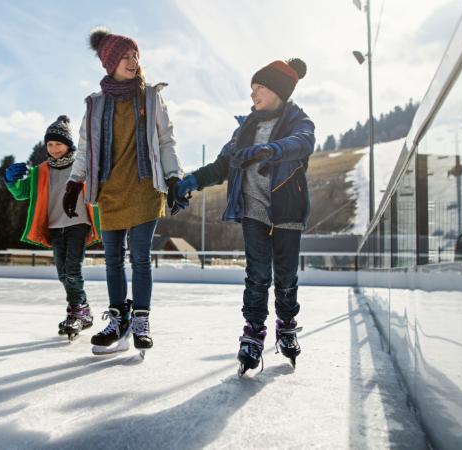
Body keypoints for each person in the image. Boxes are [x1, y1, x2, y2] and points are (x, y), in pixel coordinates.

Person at [174, 58, 315, 373]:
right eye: (252, 88)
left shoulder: (298, 120)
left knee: (286, 276)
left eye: (259, 87)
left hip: (287, 211)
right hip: (254, 211)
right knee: (257, 275)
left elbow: (303, 142)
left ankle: (287, 325)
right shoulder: (244, 130)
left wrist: (270, 151)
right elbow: (222, 165)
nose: (253, 94)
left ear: (278, 90)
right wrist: (191, 181)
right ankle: (253, 332)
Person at [64, 28, 183, 357]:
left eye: (135, 56)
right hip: (110, 190)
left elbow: (166, 140)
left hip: (145, 187)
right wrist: (74, 182)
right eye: (125, 57)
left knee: (140, 257)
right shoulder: (95, 104)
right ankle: (119, 320)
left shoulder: (150, 97)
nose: (133, 61)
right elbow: (85, 147)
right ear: (110, 62)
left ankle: (141, 319)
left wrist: (174, 177)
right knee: (113, 260)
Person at [4, 115, 102, 340]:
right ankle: (80, 308)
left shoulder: (82, 165)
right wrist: (11, 181)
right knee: (62, 273)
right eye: (50, 144)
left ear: (68, 145)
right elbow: (22, 192)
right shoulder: (40, 171)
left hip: (79, 223)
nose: (54, 148)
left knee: (72, 270)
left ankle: (78, 309)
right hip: (55, 226)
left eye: (58, 143)